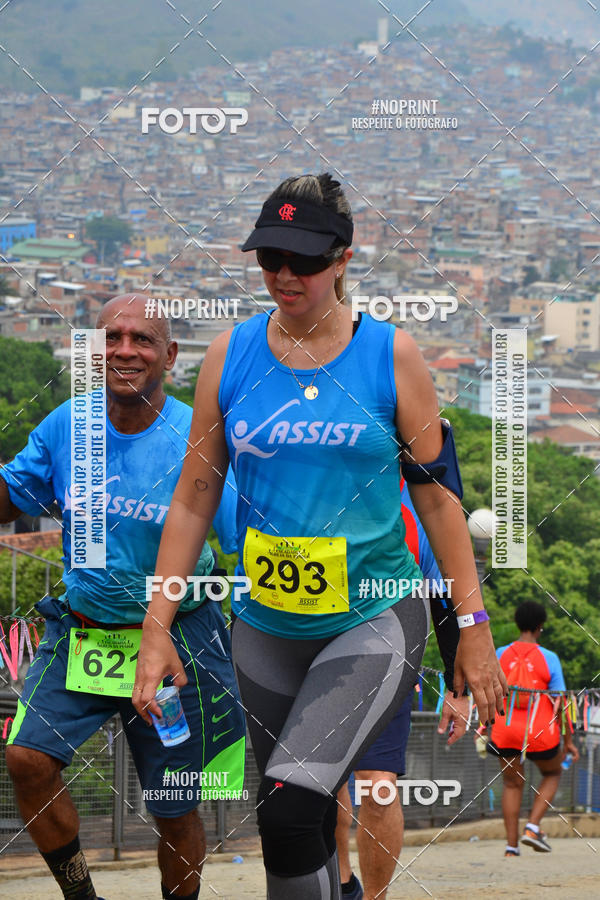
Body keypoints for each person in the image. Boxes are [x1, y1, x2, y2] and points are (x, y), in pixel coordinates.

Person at [133, 173, 507, 900]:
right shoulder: (229, 356)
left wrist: (474, 627)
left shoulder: (391, 358)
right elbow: (193, 499)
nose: (283, 275)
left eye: (302, 260)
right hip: (266, 627)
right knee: (284, 821)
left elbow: (438, 505)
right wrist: (158, 625)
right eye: (269, 258)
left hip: (372, 617)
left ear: (343, 258)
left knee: (299, 805)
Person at [3, 295, 245, 900]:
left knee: (174, 807)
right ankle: (82, 897)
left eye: (141, 339)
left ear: (170, 354)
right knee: (27, 761)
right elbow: (14, 496)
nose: (124, 351)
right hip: (83, 631)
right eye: (112, 338)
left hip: (180, 639)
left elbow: (248, 532)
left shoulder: (199, 436)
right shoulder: (68, 424)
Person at [335, 478, 471, 900]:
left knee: (377, 788)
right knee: (323, 791)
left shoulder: (418, 505)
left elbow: (444, 597)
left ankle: (375, 896)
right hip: (309, 658)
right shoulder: (317, 485)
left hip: (389, 665)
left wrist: (457, 688)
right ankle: (342, 886)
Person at [486, 600, 579, 857]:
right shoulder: (549, 658)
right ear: (540, 627)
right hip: (541, 733)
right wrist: (568, 741)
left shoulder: (500, 654)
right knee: (553, 773)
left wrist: (485, 727)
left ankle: (510, 847)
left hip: (505, 729)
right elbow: (561, 704)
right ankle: (532, 826)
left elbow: (489, 692)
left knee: (512, 784)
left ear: (518, 624)